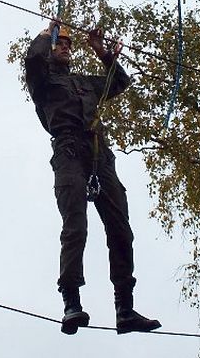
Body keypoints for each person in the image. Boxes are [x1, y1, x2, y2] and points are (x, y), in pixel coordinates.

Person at [24, 20, 161, 335]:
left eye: (69, 45)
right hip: (69, 153)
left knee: (121, 230)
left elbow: (119, 83)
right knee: (75, 229)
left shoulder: (84, 83)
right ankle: (71, 302)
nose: (65, 48)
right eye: (61, 44)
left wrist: (102, 52)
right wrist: (47, 34)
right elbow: (32, 59)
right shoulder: (43, 82)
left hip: (100, 157)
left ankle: (125, 309)